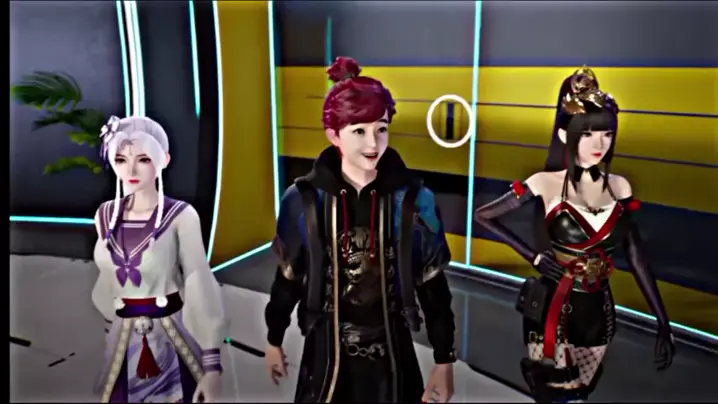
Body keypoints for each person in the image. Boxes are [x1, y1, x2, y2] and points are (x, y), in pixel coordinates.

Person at [474, 66, 675, 402]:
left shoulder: (620, 187)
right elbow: (483, 216)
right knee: (553, 393)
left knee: (580, 395)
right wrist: (535, 257)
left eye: (607, 134)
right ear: (565, 134)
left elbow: (636, 254)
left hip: (599, 310)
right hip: (552, 305)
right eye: (588, 134)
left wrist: (663, 322)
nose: (599, 144)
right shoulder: (544, 182)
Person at [263, 56, 457, 403]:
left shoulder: (413, 200)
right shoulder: (304, 200)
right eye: (359, 131)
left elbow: (433, 289)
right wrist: (273, 338)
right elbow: (288, 280)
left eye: (381, 129)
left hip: (393, 353)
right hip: (326, 352)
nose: (373, 143)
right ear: (333, 135)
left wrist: (444, 360)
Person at [90, 115, 227, 403]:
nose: (130, 170)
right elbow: (106, 284)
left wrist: (212, 365)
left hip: (171, 337)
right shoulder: (105, 215)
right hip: (122, 342)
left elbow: (198, 279)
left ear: (163, 159)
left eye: (143, 159)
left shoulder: (181, 216)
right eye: (121, 159)